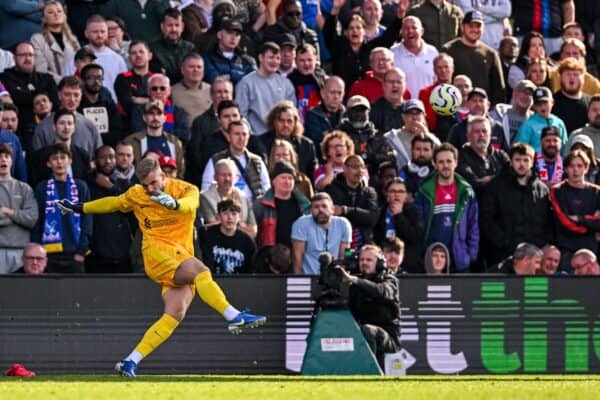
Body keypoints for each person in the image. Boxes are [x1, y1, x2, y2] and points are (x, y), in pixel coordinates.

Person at [56, 157, 266, 377]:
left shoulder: (185, 189)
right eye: (145, 184)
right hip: (157, 254)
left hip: (179, 256)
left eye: (153, 183)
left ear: (163, 175)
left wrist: (174, 203)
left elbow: (190, 204)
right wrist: (80, 207)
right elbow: (114, 203)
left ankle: (130, 361)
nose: (149, 189)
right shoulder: (137, 194)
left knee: (175, 314)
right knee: (202, 272)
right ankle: (233, 316)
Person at [480, 143, 552, 265]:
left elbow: (548, 221)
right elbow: (486, 219)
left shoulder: (543, 190)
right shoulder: (495, 186)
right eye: (517, 160)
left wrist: (541, 244)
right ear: (511, 161)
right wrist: (503, 242)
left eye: (526, 160)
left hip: (534, 256)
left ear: (532, 161)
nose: (522, 164)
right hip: (503, 255)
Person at [415, 143, 479, 272]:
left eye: (449, 161)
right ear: (435, 164)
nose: (445, 166)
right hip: (432, 257)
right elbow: (418, 226)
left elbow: (473, 226)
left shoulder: (466, 192)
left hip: (459, 258)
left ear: (456, 162)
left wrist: (470, 255)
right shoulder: (425, 192)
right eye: (441, 162)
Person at [32, 143, 92, 273]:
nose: (59, 162)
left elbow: (87, 220)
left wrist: (81, 251)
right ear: (48, 163)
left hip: (75, 254)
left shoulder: (81, 186)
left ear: (70, 160)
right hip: (48, 254)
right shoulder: (42, 188)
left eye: (63, 157)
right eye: (54, 158)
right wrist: (39, 251)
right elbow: (38, 221)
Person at [339, 244, 400, 368]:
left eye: (369, 260)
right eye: (362, 260)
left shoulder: (389, 279)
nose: (364, 263)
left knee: (368, 330)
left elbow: (382, 291)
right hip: (362, 334)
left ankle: (369, 372)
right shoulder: (355, 285)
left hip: (388, 339)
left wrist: (355, 280)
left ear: (379, 263)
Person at [323, 0, 406, 89]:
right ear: (346, 32)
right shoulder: (339, 47)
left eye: (358, 28)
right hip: (344, 97)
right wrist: (335, 10)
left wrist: (399, 16)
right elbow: (329, 33)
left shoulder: (371, 48)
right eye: (351, 28)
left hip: (367, 96)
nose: (355, 31)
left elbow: (388, 38)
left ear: (364, 31)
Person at [85, 145, 135, 274]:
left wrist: (111, 187)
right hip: (96, 254)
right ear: (95, 160)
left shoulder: (125, 184)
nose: (107, 161)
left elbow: (129, 206)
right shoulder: (88, 185)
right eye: (103, 157)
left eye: (111, 157)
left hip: (122, 253)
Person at [0, 42, 59, 145]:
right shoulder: (5, 77)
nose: (27, 58)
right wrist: (41, 97)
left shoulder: (46, 78)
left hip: (48, 131)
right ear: (14, 58)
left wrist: (24, 95)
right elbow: (15, 98)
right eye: (23, 55)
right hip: (18, 132)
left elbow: (55, 103)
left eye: (30, 55)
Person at [550, 150, 600, 270]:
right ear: (566, 169)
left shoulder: (597, 192)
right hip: (566, 250)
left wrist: (579, 218)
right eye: (571, 166)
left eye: (579, 166)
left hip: (592, 250)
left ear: (586, 169)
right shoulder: (557, 190)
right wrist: (591, 224)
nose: (575, 170)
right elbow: (565, 222)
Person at [442, 11, 505, 105]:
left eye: (478, 26)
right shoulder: (448, 50)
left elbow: (499, 88)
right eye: (471, 26)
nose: (475, 29)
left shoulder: (491, 54)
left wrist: (493, 109)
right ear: (462, 27)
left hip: (482, 110)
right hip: (455, 108)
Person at [32, 76, 102, 158]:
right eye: (67, 94)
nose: (72, 99)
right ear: (59, 95)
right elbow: (37, 161)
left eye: (76, 95)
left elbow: (98, 158)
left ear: (81, 96)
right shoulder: (43, 127)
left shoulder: (90, 126)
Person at [235, 42, 295, 136]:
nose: (274, 61)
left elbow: (293, 113)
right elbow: (241, 114)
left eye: (277, 58)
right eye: (271, 57)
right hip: (257, 137)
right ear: (261, 58)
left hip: (281, 138)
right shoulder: (246, 83)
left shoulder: (286, 84)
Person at [63, 15, 128, 101]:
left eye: (103, 31)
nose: (99, 35)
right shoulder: (75, 58)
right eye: (95, 32)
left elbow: (124, 88)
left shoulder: (118, 59)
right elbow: (67, 84)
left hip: (112, 106)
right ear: (86, 33)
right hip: (82, 105)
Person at [202, 120, 270, 202]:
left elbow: (266, 188)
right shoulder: (216, 160)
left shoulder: (257, 161)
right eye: (237, 134)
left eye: (244, 134)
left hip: (253, 209)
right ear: (229, 137)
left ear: (248, 137)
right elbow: (206, 189)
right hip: (225, 209)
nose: (241, 138)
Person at [27, 109, 92, 187]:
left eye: (69, 123)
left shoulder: (83, 155)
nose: (66, 127)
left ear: (74, 128)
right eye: (62, 123)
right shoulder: (39, 157)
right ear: (54, 127)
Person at [325, 155, 378, 249]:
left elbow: (372, 218)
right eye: (355, 167)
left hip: (364, 246)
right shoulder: (331, 190)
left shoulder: (369, 192)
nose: (360, 170)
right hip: (339, 246)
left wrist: (345, 210)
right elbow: (333, 216)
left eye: (362, 167)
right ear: (344, 168)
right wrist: (360, 216)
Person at [291, 192, 352, 274]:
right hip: (309, 276)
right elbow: (297, 257)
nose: (320, 210)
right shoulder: (301, 224)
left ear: (332, 209)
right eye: (316, 207)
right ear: (311, 211)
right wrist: (299, 282)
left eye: (324, 206)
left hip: (335, 276)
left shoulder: (343, 224)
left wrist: (342, 279)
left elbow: (345, 255)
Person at [254, 160, 310, 249]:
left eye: (290, 178)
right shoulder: (261, 205)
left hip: (298, 254)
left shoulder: (304, 205)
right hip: (270, 256)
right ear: (274, 181)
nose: (287, 181)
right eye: (283, 178)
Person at [0, 143, 38, 274]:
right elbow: (25, 217)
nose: (3, 159)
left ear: (12, 160)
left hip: (21, 252)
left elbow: (32, 218)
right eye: (0, 156)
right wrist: (18, 217)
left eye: (6, 156)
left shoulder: (24, 188)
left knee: (21, 292)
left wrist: (8, 212)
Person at [124, 99, 185, 178]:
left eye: (159, 113)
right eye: (151, 113)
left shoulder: (175, 142)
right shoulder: (131, 141)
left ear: (165, 118)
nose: (155, 117)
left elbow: (180, 172)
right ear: (144, 117)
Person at [374, 177, 424, 273]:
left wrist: (399, 216)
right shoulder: (379, 213)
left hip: (407, 264)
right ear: (386, 194)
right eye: (393, 191)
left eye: (401, 191)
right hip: (382, 264)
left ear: (406, 195)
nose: (396, 195)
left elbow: (415, 237)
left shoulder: (414, 213)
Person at [199, 158, 257, 239]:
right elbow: (214, 227)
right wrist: (241, 225)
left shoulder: (243, 197)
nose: (227, 179)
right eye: (223, 175)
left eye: (230, 175)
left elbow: (253, 231)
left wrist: (223, 223)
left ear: (235, 177)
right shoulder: (205, 197)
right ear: (215, 177)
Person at [260, 100, 317, 178]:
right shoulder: (260, 143)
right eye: (281, 120)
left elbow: (312, 175)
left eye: (289, 121)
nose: (285, 125)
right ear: (274, 122)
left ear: (295, 123)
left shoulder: (307, 146)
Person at [199, 198, 256, 274]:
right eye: (225, 213)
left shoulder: (247, 242)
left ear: (239, 217)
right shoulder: (207, 236)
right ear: (218, 216)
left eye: (234, 214)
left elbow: (250, 271)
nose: (230, 218)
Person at [129, 73, 190, 144]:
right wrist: (170, 133)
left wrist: (154, 131)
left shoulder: (178, 111)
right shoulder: (139, 110)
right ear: (148, 91)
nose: (158, 91)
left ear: (169, 91)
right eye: (154, 88)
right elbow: (138, 133)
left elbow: (185, 135)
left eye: (162, 88)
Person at [457, 116, 510, 197]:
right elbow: (473, 184)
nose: (481, 135)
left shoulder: (501, 155)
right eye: (476, 131)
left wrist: (487, 179)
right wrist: (500, 178)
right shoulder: (460, 158)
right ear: (468, 136)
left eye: (484, 131)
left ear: (490, 135)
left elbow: (512, 177)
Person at [30, 1, 80, 84]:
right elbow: (41, 70)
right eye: (50, 12)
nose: (56, 14)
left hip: (75, 88)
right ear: (44, 19)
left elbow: (81, 64)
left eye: (59, 11)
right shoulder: (37, 39)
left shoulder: (73, 39)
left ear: (64, 16)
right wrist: (65, 82)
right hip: (52, 88)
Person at [447, 87, 509, 153]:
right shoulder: (458, 129)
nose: (478, 104)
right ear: (467, 105)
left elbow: (506, 154)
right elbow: (450, 155)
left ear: (488, 105)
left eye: (481, 101)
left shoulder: (498, 128)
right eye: (474, 101)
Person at [385, 99, 440, 171]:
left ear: (424, 116)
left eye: (417, 113)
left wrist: (427, 134)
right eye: (410, 113)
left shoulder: (431, 138)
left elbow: (442, 152)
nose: (414, 117)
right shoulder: (391, 137)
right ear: (403, 116)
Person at [391, 16, 438, 100]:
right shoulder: (393, 53)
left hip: (429, 107)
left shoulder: (433, 52)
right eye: (406, 28)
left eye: (414, 27)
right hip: (403, 107)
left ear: (422, 31)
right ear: (401, 32)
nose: (410, 31)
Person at [78, 63, 124, 147]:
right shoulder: (78, 104)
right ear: (83, 80)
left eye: (99, 77)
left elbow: (117, 131)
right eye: (91, 78)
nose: (96, 81)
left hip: (107, 148)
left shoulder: (108, 103)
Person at [114, 40, 154, 132]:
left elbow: (163, 102)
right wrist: (151, 100)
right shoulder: (122, 78)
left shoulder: (156, 78)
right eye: (133, 53)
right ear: (129, 58)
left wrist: (138, 99)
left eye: (141, 52)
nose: (138, 55)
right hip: (130, 129)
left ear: (150, 56)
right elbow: (128, 105)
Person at [202, 18, 257, 85]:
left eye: (237, 34)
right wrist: (240, 76)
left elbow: (255, 83)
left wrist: (231, 76)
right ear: (219, 35)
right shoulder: (207, 58)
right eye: (229, 33)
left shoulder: (249, 60)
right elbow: (216, 81)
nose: (233, 37)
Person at [515, 86, 568, 154]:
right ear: (533, 106)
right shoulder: (527, 125)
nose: (542, 107)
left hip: (557, 163)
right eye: (538, 104)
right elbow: (520, 151)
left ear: (552, 102)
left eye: (545, 103)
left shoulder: (559, 123)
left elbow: (565, 149)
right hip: (535, 162)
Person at [149, 8, 196, 84]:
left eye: (177, 25)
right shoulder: (153, 49)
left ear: (182, 27)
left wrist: (168, 72)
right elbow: (157, 76)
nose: (174, 29)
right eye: (170, 25)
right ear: (162, 27)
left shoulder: (190, 48)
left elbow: (194, 73)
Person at [304, 76, 345, 160]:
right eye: (332, 92)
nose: (336, 96)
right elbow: (319, 144)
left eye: (339, 93)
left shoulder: (348, 115)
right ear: (322, 94)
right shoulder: (313, 115)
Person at [489, 79, 535, 145]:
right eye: (523, 92)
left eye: (530, 94)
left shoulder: (536, 120)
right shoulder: (495, 116)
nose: (526, 96)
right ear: (514, 94)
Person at [287, 43, 326, 121]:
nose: (306, 64)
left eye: (309, 60)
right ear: (295, 62)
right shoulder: (288, 82)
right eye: (302, 60)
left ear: (316, 59)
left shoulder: (324, 80)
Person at [551, 57, 591, 134]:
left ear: (583, 78)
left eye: (576, 74)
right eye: (568, 74)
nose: (572, 77)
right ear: (560, 77)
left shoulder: (591, 103)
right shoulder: (552, 103)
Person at [418, 52, 455, 135]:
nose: (443, 71)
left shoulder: (460, 90)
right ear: (434, 70)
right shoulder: (425, 93)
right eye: (439, 67)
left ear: (452, 68)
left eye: (446, 67)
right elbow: (425, 119)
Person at [171, 53, 211, 127]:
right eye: (191, 67)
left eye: (199, 67)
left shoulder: (212, 90)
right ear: (182, 70)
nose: (195, 70)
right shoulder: (172, 92)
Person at [370, 67, 406, 133]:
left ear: (405, 85)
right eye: (391, 82)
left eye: (399, 82)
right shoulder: (372, 109)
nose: (395, 85)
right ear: (383, 85)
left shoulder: (412, 111)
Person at [399, 135, 435, 200]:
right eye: (418, 149)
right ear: (412, 150)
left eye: (426, 150)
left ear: (432, 152)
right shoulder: (403, 172)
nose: (422, 154)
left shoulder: (437, 173)